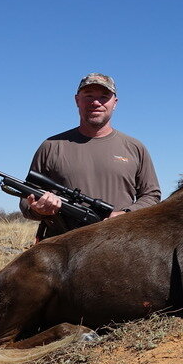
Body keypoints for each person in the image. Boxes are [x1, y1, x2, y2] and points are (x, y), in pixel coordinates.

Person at [21, 72, 161, 239]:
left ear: (114, 103)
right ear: (77, 100)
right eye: (88, 96)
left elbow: (151, 195)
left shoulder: (135, 148)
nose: (96, 102)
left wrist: (126, 215)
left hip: (121, 246)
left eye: (104, 96)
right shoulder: (50, 146)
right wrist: (38, 209)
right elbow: (25, 199)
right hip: (62, 249)